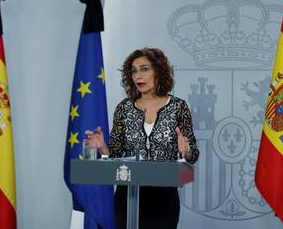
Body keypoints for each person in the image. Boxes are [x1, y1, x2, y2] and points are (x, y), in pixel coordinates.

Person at [85, 47, 199, 229]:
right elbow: (115, 152)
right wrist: (102, 148)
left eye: (144, 69)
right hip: (126, 195)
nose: (138, 75)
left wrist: (186, 152)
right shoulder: (124, 108)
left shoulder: (178, 107)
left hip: (163, 199)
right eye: (134, 71)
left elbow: (193, 153)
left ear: (158, 71)